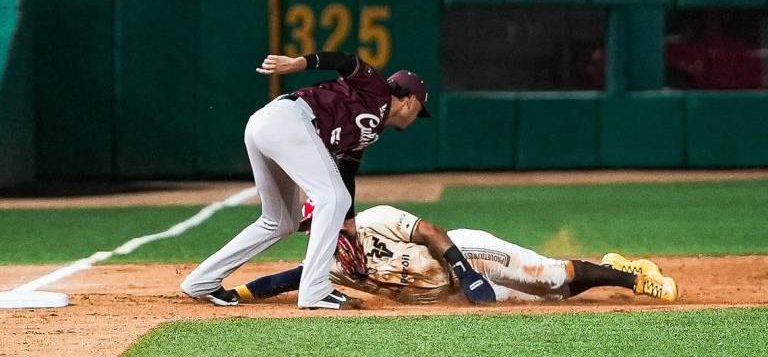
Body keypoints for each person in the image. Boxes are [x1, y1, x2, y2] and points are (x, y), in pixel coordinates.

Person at [180, 51, 468, 309]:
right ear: (411, 100)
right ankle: (315, 289)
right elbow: (346, 61)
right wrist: (299, 63)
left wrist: (349, 222)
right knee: (332, 197)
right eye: (419, 111)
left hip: (268, 126)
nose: (417, 117)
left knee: (281, 221)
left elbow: (346, 169)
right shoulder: (377, 88)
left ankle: (202, 281)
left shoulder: (370, 130)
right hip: (287, 121)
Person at [218, 203, 678, 306]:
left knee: (550, 276)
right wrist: (235, 294)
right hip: (451, 290)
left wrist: (467, 272)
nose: (313, 232)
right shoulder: (330, 261)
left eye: (316, 223)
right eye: (307, 228)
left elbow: (431, 232)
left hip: (468, 255)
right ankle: (610, 266)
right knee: (551, 297)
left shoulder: (374, 219)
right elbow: (286, 280)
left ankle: (635, 280)